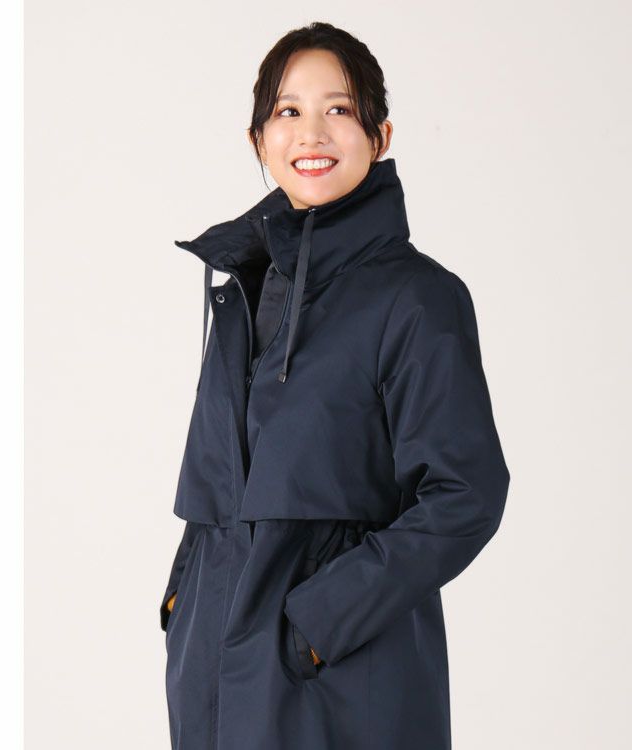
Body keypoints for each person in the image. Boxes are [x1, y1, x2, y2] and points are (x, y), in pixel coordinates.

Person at [158, 21, 509, 750]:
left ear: (380, 135)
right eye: (287, 110)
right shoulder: (242, 292)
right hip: (212, 668)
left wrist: (320, 622)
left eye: (339, 109)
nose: (311, 132)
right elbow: (222, 488)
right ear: (258, 139)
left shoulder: (418, 298)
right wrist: (184, 592)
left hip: (341, 678)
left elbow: (465, 493)